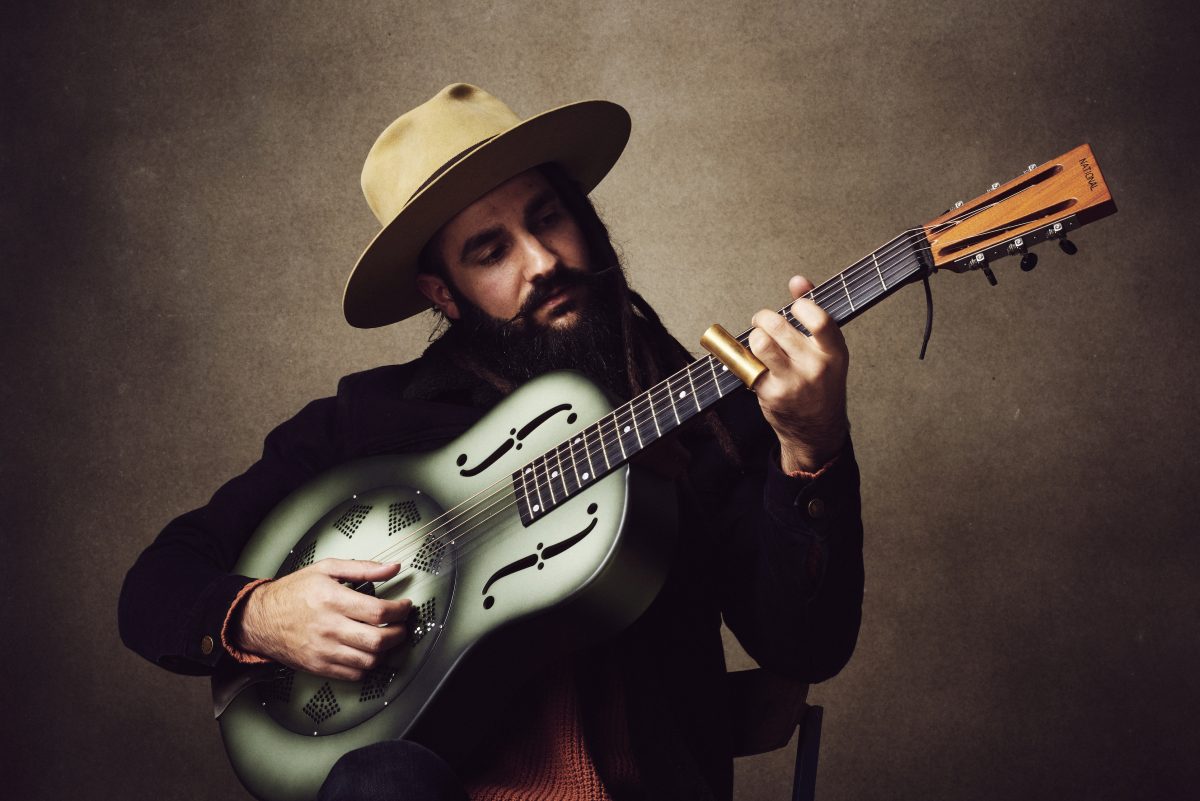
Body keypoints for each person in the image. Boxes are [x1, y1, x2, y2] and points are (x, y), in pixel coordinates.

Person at [118, 83, 865, 801]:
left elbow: (807, 648)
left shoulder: (697, 411)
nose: (541, 262)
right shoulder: (364, 422)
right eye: (489, 251)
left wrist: (811, 446)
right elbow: (155, 583)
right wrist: (258, 614)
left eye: (549, 218)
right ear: (444, 293)